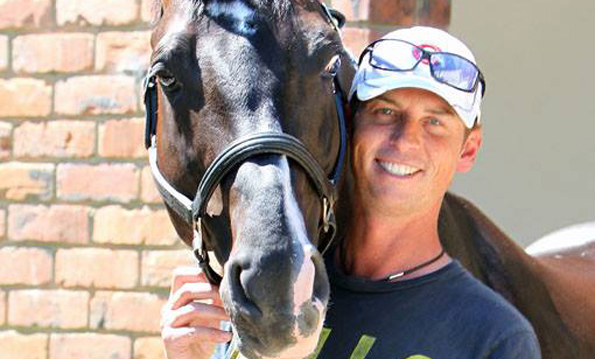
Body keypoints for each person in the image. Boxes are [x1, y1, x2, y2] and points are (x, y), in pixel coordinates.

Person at [160, 27, 541, 359]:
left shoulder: (494, 338)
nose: (405, 140)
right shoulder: (272, 286)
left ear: (468, 150)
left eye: (434, 122)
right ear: (348, 122)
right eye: (385, 112)